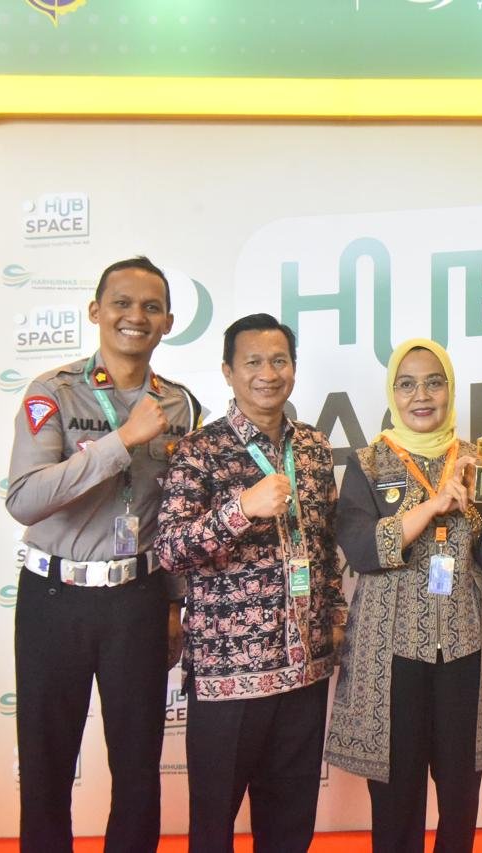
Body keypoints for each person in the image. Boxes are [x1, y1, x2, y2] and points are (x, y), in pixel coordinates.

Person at [6, 256, 202, 853]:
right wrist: (122, 441)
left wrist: (174, 605)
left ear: (167, 323)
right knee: (46, 764)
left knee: (139, 768)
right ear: (96, 311)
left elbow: (178, 516)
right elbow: (25, 498)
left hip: (138, 600)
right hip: (54, 598)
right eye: (121, 303)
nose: (134, 316)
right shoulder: (53, 392)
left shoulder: (181, 406)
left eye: (151, 307)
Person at [325, 338, 482, 853]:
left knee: (461, 788)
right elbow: (362, 550)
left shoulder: (478, 459)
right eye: (407, 384)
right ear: (392, 392)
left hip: (467, 643)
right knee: (396, 789)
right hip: (390, 650)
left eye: (434, 382)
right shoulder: (369, 463)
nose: (421, 395)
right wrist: (433, 505)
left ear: (450, 390)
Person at [154, 313, 346, 853]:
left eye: (279, 360)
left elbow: (325, 545)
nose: (268, 373)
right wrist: (241, 509)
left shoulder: (313, 448)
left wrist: (335, 618)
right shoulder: (200, 450)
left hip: (304, 668)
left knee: (290, 827)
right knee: (213, 825)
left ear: (293, 369)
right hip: (228, 674)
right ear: (228, 371)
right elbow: (170, 550)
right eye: (253, 362)